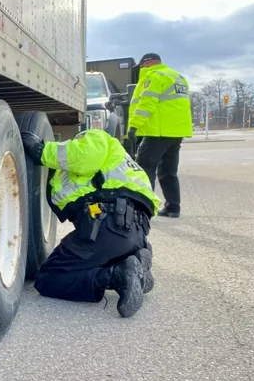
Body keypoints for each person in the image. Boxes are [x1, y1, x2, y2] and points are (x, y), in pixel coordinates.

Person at [22, 128, 160, 318]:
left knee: (48, 278)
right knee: (100, 253)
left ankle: (117, 275)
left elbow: (84, 156)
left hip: (108, 226)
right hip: (136, 230)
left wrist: (41, 151)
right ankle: (134, 257)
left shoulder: (95, 137)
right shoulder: (122, 163)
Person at [127, 53, 193, 218]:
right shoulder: (178, 77)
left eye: (142, 65)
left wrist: (134, 126)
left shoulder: (154, 77)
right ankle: (173, 207)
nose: (141, 69)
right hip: (176, 132)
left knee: (144, 167)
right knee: (168, 171)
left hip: (158, 131)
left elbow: (146, 103)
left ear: (148, 62)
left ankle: (143, 208)